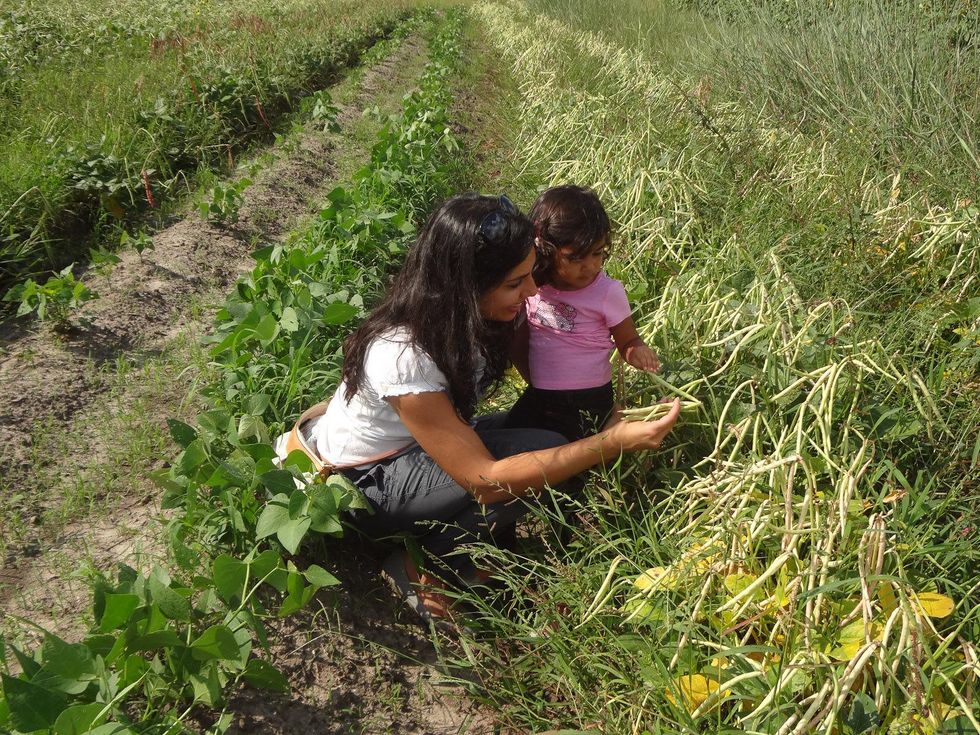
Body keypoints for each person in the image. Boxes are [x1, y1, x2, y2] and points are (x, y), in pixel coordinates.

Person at [291, 192, 679, 623]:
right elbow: (487, 482)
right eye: (516, 283)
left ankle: (446, 546)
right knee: (534, 474)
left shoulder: (470, 318)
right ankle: (423, 560)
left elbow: (544, 373)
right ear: (467, 285)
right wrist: (609, 442)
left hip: (417, 450)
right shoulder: (404, 354)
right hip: (365, 485)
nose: (532, 291)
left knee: (551, 444)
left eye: (531, 275)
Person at [506, 185, 660, 442]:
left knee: (581, 457)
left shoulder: (607, 292)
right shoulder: (533, 285)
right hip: (540, 394)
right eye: (575, 258)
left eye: (598, 253)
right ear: (545, 249)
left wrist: (638, 351)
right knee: (514, 440)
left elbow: (628, 341)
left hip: (588, 399)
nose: (590, 266)